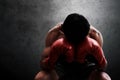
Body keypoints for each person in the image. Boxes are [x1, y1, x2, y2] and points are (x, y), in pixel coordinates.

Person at [34, 13, 111, 80]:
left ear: (87, 32)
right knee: (40, 78)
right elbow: (43, 65)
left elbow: (102, 68)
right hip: (61, 70)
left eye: (80, 40)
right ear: (63, 31)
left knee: (105, 78)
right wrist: (53, 58)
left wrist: (98, 61)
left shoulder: (94, 34)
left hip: (86, 70)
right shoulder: (55, 34)